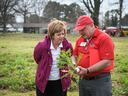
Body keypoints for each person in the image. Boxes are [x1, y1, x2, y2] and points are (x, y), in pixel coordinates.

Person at [73, 15, 114, 96]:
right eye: (79, 30)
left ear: (92, 25)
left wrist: (87, 70)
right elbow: (74, 55)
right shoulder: (80, 40)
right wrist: (74, 65)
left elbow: (107, 61)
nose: (81, 32)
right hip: (83, 80)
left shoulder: (104, 38)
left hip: (100, 81)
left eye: (83, 29)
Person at [33, 19, 73, 96]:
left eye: (63, 34)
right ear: (52, 35)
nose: (62, 36)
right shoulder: (41, 46)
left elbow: (68, 60)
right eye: (58, 34)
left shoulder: (67, 46)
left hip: (60, 83)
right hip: (44, 82)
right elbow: (37, 59)